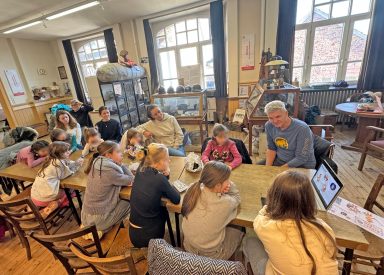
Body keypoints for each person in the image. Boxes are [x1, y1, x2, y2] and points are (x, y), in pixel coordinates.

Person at [243, 171, 338, 275]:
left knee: (250, 240)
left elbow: (261, 214)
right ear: (310, 200)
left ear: (274, 197)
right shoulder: (324, 229)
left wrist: (270, 205)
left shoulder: (264, 226)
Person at [181, 161, 243, 260]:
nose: (229, 181)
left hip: (188, 246)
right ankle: (227, 264)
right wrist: (230, 186)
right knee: (239, 230)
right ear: (218, 185)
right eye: (227, 179)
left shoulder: (191, 189)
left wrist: (221, 187)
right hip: (212, 256)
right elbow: (237, 198)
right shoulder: (225, 203)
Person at [129, 143, 180, 248]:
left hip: (133, 233)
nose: (169, 161)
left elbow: (157, 184)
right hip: (148, 237)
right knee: (164, 210)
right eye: (167, 159)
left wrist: (164, 175)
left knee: (160, 208)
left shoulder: (141, 168)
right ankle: (167, 245)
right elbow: (176, 198)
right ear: (157, 164)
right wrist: (167, 175)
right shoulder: (159, 178)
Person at [81, 141, 134, 232]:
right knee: (130, 201)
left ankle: (109, 225)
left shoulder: (96, 162)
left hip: (86, 215)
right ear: (108, 155)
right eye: (118, 152)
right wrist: (122, 165)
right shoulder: (110, 171)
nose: (121, 154)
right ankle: (109, 229)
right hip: (98, 220)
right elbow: (132, 180)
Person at [31, 141, 84, 218]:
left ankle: (49, 206)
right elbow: (68, 173)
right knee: (70, 189)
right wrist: (77, 164)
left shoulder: (52, 159)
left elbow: (66, 165)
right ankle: (55, 204)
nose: (69, 152)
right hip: (44, 198)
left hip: (35, 195)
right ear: (59, 154)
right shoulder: (58, 163)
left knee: (64, 188)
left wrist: (75, 163)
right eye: (66, 152)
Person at [260, 100, 316, 169]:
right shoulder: (269, 125)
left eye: (278, 117)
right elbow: (271, 148)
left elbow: (302, 158)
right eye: (270, 118)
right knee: (256, 172)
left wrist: (279, 170)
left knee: (278, 179)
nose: (275, 121)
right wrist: (268, 169)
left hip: (301, 165)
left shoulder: (302, 129)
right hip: (280, 160)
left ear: (286, 113)